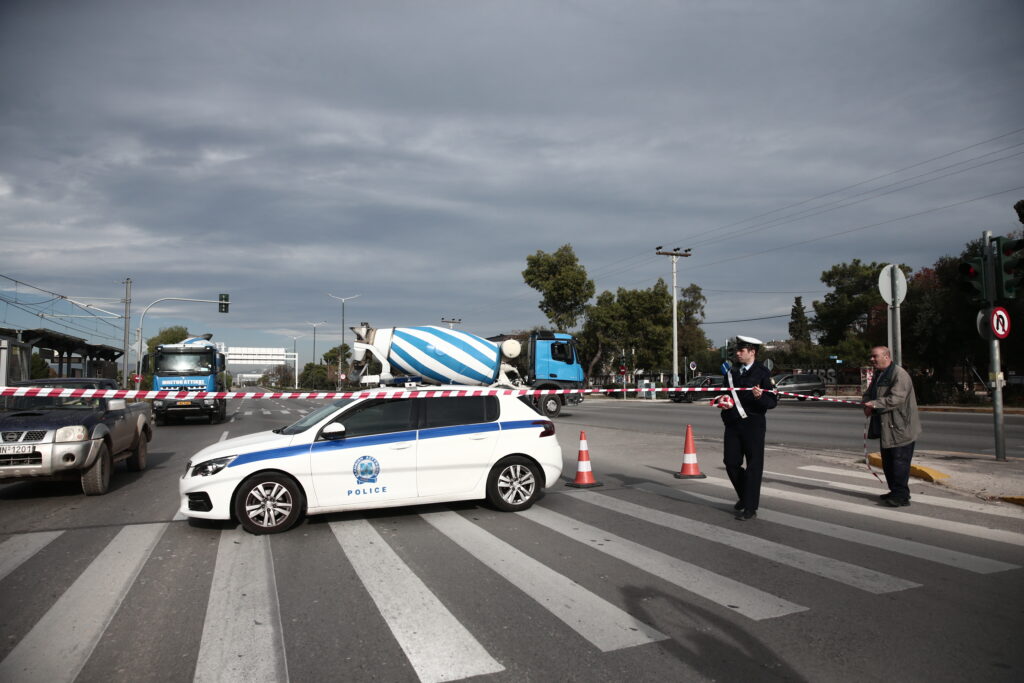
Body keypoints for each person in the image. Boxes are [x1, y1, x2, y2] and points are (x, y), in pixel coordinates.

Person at [716, 335, 778, 520]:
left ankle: (750, 506)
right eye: (737, 350)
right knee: (731, 463)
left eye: (741, 350)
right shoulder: (731, 372)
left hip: (753, 424)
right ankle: (745, 496)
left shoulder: (763, 373)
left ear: (752, 352)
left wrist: (760, 397)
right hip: (733, 423)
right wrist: (722, 401)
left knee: (753, 466)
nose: (737, 354)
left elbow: (772, 401)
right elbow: (725, 393)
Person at [862, 345, 921, 507]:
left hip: (901, 427)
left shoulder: (899, 374)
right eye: (871, 356)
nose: (871, 359)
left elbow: (896, 399)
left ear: (886, 356)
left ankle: (901, 496)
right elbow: (869, 392)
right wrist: (866, 402)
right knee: (888, 462)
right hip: (887, 427)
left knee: (899, 462)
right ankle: (894, 490)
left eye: (875, 356)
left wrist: (873, 404)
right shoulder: (879, 374)